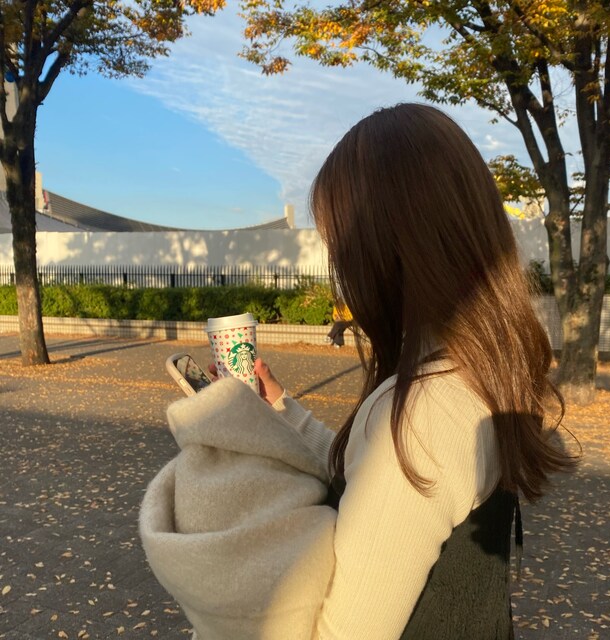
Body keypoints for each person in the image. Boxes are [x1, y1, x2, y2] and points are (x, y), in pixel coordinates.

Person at [142, 103, 579, 640]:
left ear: (383, 248)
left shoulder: (420, 413)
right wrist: (280, 411)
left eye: (340, 246)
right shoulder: (479, 370)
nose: (340, 267)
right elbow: (383, 490)